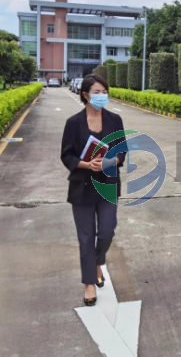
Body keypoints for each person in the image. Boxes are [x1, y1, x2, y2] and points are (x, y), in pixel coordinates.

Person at [61, 74, 127, 306]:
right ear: (86, 95)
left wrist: (109, 162)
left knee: (107, 231)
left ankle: (98, 261)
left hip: (107, 185)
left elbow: (122, 153)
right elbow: (66, 154)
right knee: (86, 237)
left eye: (104, 92)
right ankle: (90, 282)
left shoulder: (114, 120)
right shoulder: (73, 123)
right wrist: (86, 164)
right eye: (96, 92)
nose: (101, 96)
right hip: (82, 187)